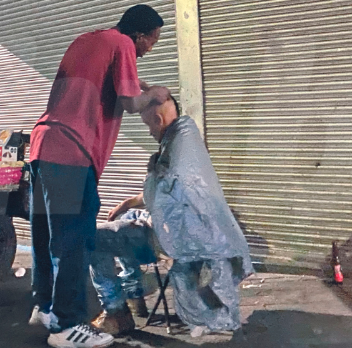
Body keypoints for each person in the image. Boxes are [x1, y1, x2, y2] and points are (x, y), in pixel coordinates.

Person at [28, 5, 171, 348]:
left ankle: (46, 309)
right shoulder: (122, 44)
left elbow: (123, 88)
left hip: (43, 145)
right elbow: (131, 101)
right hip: (72, 153)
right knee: (75, 241)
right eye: (153, 40)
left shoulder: (92, 40)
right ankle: (67, 326)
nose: (151, 48)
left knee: (48, 236)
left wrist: (144, 89)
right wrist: (158, 94)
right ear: (140, 35)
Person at [89, 96, 254, 337]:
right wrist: (127, 203)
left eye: (149, 125)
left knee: (92, 239)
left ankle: (116, 311)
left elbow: (161, 193)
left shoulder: (179, 148)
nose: (149, 132)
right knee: (124, 221)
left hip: (168, 238)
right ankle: (134, 293)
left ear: (158, 119)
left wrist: (148, 181)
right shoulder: (184, 147)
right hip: (166, 226)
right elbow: (163, 191)